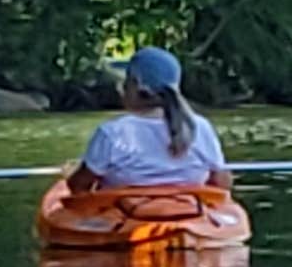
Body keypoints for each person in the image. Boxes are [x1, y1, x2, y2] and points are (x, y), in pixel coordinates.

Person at [66, 47, 231, 195]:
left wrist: (72, 174)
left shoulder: (112, 132)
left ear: (136, 85)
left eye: (126, 81)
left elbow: (78, 186)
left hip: (126, 218)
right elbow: (221, 182)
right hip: (188, 215)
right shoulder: (199, 127)